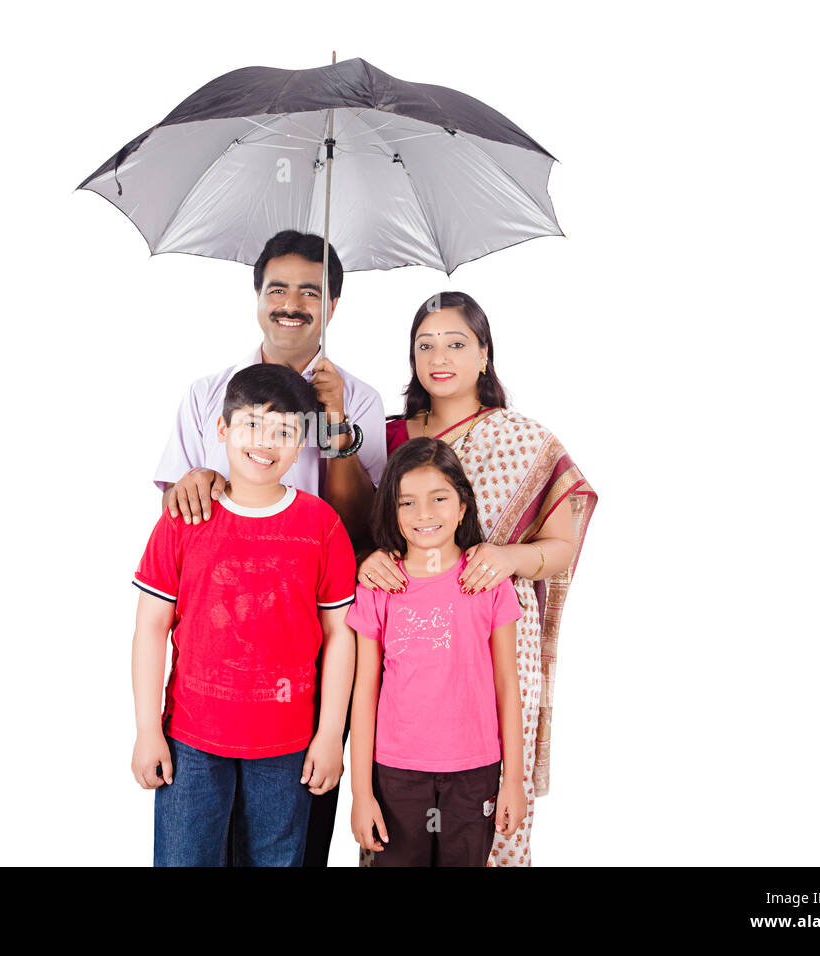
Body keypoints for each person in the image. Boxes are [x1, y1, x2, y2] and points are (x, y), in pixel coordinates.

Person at [153, 229, 386, 866]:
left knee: (291, 837)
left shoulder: (358, 397)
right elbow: (179, 521)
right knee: (201, 832)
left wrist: (335, 431)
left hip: (307, 645)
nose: (292, 303)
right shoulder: (208, 392)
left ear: (332, 306)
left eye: (311, 292)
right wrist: (194, 480)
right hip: (216, 659)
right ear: (257, 296)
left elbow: (360, 526)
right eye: (277, 288)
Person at [357, 291, 599, 867]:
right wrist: (366, 559)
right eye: (425, 344)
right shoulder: (385, 433)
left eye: (457, 343)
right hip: (403, 650)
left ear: (485, 355)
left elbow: (561, 546)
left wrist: (511, 558)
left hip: (491, 637)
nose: (440, 356)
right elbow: (359, 524)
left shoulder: (524, 440)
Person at [131, 363, 358, 866]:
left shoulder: (321, 526)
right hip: (191, 737)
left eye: (284, 431)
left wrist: (328, 733)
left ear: (301, 445)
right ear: (222, 430)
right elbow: (150, 627)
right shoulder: (185, 518)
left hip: (288, 745)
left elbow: (341, 634)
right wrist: (148, 729)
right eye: (252, 424)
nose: (265, 441)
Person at [347, 437, 526, 866]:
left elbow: (507, 683)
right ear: (391, 510)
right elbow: (364, 692)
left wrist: (513, 781)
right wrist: (361, 793)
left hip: (474, 770)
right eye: (406, 503)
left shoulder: (488, 583)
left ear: (462, 506)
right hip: (395, 773)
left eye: (439, 498)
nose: (424, 514)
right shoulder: (378, 587)